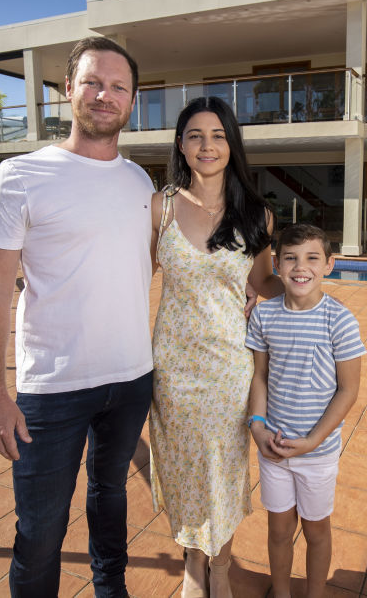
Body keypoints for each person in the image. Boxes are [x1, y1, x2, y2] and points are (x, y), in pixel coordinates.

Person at [0, 36, 152, 598]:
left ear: (132, 100)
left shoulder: (141, 182)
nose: (105, 95)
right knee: (41, 529)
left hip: (130, 379)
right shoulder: (20, 175)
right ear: (67, 90)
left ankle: (109, 589)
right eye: (93, 82)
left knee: (111, 498)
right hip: (51, 389)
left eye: (118, 86)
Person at [148, 96, 284, 598]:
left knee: (224, 470)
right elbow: (135, 276)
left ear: (232, 145)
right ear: (181, 146)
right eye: (195, 136)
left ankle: (220, 566)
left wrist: (290, 290)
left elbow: (264, 283)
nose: (207, 146)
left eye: (218, 135)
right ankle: (191, 559)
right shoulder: (159, 208)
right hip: (173, 370)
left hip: (229, 366)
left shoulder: (257, 214)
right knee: (181, 468)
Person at [245, 223, 366, 598]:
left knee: (316, 531)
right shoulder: (265, 317)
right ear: (278, 265)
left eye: (313, 258)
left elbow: (348, 390)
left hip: (318, 454)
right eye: (292, 259)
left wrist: (313, 441)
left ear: (329, 264)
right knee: (279, 531)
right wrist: (257, 427)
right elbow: (260, 377)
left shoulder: (339, 320)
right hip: (275, 448)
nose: (302, 267)